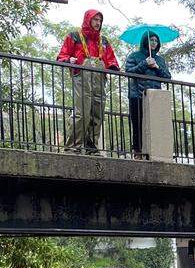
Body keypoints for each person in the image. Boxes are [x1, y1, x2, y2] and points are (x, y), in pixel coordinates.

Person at [57, 9, 119, 154]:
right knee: (82, 112)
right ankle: (73, 146)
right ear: (88, 19)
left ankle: (92, 146)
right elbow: (62, 55)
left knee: (97, 112)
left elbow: (111, 59)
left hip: (99, 78)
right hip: (82, 77)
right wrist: (69, 59)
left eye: (100, 20)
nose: (98, 23)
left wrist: (113, 67)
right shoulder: (74, 36)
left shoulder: (103, 41)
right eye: (95, 19)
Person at [123, 30, 172, 157]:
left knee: (155, 125)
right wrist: (145, 63)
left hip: (155, 96)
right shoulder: (134, 56)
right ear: (146, 41)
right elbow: (129, 72)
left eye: (156, 41)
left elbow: (167, 77)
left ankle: (155, 152)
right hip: (137, 95)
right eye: (152, 40)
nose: (154, 43)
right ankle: (138, 151)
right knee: (138, 124)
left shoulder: (160, 60)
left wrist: (156, 67)